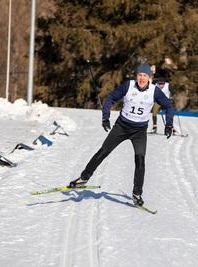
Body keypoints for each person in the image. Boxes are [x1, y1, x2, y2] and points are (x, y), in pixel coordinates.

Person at [68, 62, 174, 206]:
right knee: (103, 151)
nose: (142, 79)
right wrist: (105, 117)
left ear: (149, 78)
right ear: (136, 76)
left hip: (139, 131)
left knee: (140, 161)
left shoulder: (154, 91)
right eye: (140, 75)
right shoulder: (128, 86)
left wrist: (168, 124)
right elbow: (111, 97)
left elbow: (168, 106)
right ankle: (83, 178)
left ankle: (137, 193)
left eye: (145, 76)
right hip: (122, 126)